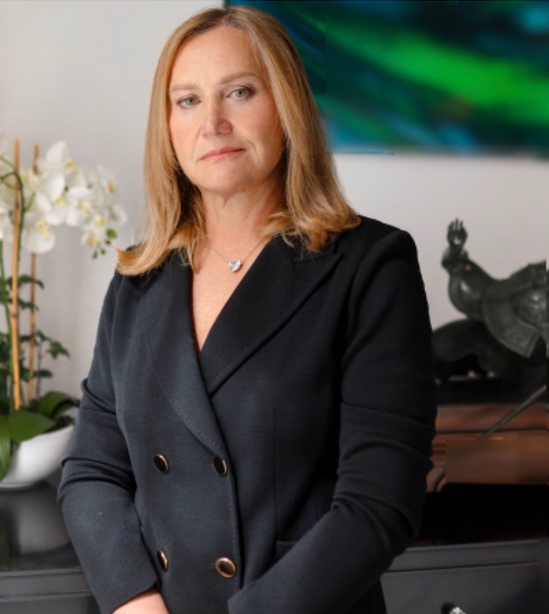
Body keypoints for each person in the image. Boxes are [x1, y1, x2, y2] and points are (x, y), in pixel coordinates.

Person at [58, 6, 436, 614]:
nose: (212, 122)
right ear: (168, 128)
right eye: (187, 101)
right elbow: (91, 470)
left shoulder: (370, 266)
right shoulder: (138, 279)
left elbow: (378, 506)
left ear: (286, 106)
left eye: (239, 92)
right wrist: (135, 601)